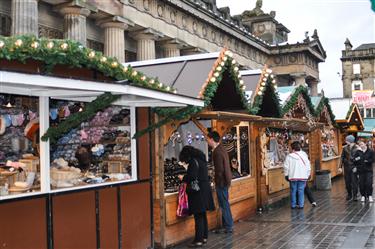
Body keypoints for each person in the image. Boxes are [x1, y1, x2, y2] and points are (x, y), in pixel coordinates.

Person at [178, 146, 215, 248]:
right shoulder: (201, 160)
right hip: (204, 190)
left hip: (198, 193)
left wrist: (183, 177)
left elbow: (192, 176)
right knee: (202, 215)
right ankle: (204, 237)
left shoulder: (193, 162)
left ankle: (198, 240)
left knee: (198, 215)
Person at [206, 131, 234, 233]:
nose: (207, 141)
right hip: (225, 181)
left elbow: (219, 170)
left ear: (212, 139)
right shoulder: (221, 148)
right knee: (225, 203)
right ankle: (227, 225)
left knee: (224, 204)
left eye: (207, 139)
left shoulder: (217, 152)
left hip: (221, 182)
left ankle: (228, 226)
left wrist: (215, 180)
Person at [283, 141, 311, 209]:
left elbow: (286, 167)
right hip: (302, 176)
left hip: (293, 176)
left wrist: (286, 175)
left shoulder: (289, 156)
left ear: (292, 148)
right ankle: (301, 205)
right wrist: (308, 174)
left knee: (293, 190)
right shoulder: (304, 155)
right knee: (301, 190)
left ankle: (293, 205)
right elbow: (308, 166)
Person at [341, 135, 360, 201]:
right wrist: (340, 167)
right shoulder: (344, 148)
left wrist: (357, 166)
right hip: (346, 168)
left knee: (354, 182)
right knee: (347, 182)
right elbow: (342, 157)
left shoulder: (357, 148)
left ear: (350, 141)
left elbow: (360, 158)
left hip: (354, 167)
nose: (346, 141)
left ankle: (355, 196)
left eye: (347, 140)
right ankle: (349, 194)